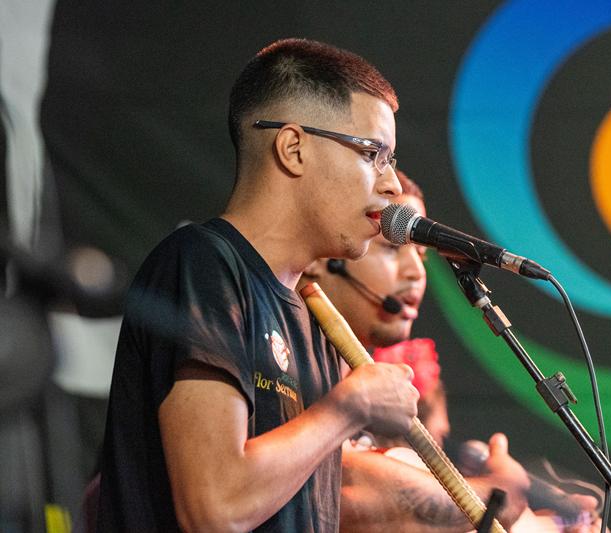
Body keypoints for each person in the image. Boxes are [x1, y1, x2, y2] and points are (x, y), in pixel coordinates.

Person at [97, 38, 421, 532]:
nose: (392, 184)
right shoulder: (203, 264)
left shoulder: (316, 320)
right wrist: (350, 407)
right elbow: (216, 507)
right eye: (372, 153)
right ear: (293, 148)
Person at [302, 171, 602, 532]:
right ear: (324, 255)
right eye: (392, 248)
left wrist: (545, 525)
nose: (416, 272)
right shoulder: (292, 365)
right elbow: (348, 489)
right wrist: (502, 491)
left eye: (422, 256)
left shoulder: (351, 382)